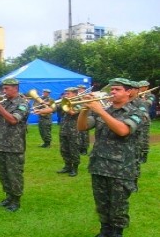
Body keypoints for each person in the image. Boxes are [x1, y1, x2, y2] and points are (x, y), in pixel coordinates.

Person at [77, 78, 142, 237]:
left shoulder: (137, 112)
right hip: (99, 165)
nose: (112, 92)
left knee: (118, 206)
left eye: (117, 89)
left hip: (121, 168)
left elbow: (123, 130)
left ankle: (117, 233)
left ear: (128, 92)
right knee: (102, 204)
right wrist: (85, 109)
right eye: (112, 89)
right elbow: (82, 127)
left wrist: (100, 111)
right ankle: (104, 230)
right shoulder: (106, 110)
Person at [0, 78, 29, 212]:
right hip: (1, 144)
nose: (3, 91)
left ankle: (16, 200)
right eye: (3, 88)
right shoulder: (4, 102)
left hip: (15, 145)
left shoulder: (23, 103)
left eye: (6, 88)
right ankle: (8, 196)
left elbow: (13, 120)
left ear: (15, 88)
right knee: (3, 173)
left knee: (14, 174)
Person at [56, 87, 81, 177]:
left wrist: (65, 104)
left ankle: (75, 168)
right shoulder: (65, 102)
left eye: (68, 93)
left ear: (75, 94)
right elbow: (54, 107)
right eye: (66, 93)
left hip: (74, 130)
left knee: (73, 149)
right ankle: (67, 166)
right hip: (64, 129)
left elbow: (73, 112)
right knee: (64, 149)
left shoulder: (79, 102)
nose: (66, 95)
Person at [77, 84, 90, 155]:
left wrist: (81, 98)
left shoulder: (87, 96)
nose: (79, 90)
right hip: (78, 116)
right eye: (78, 89)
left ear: (84, 89)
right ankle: (79, 147)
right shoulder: (77, 96)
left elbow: (86, 105)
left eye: (80, 89)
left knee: (84, 134)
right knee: (78, 133)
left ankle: (84, 149)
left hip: (86, 116)